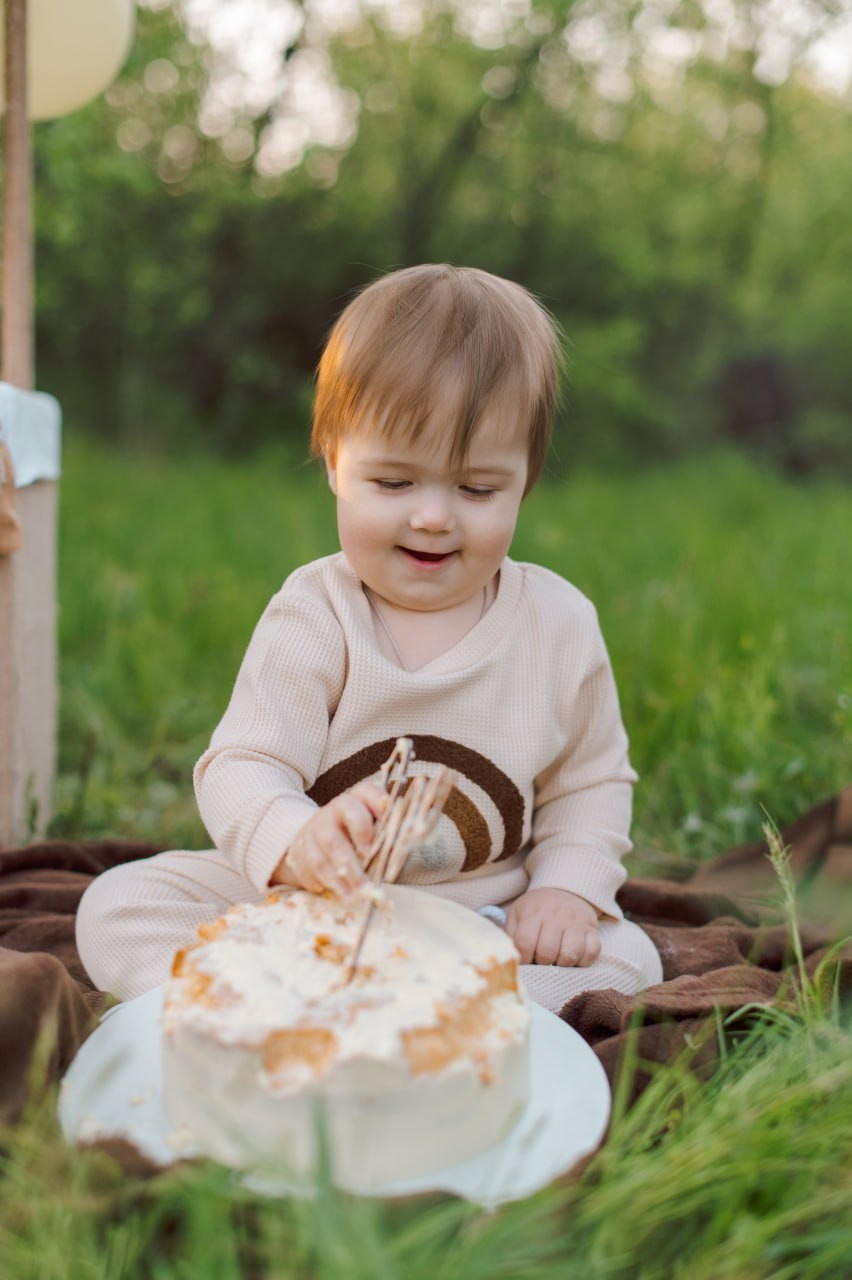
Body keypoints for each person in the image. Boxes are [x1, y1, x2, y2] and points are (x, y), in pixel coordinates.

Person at [76, 264, 662, 1013]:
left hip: (480, 918)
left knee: (629, 961)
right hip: (307, 911)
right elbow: (244, 764)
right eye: (393, 483)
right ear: (334, 463)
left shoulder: (559, 624)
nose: (433, 517)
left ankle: (434, 1012)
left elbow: (591, 784)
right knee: (117, 906)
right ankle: (273, 1007)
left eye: (477, 489)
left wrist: (565, 892)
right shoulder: (316, 614)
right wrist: (294, 839)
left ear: (526, 481)